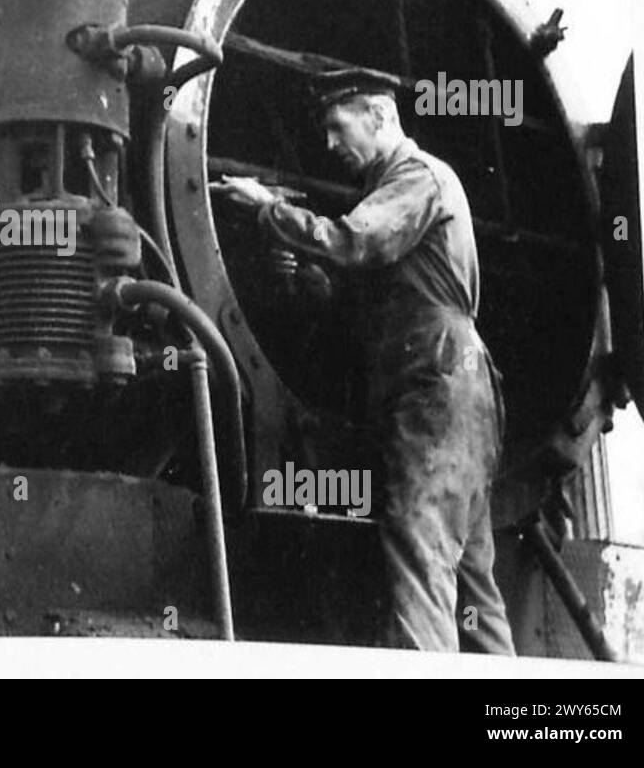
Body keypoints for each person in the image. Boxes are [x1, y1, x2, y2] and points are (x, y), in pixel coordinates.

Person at [211, 68, 515, 654]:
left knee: (419, 546)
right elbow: (366, 296)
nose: (328, 145)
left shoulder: (416, 177)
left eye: (336, 126)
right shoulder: (394, 189)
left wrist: (268, 208)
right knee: (473, 583)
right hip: (454, 390)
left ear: (379, 116)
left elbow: (355, 241)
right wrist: (308, 280)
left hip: (437, 384)